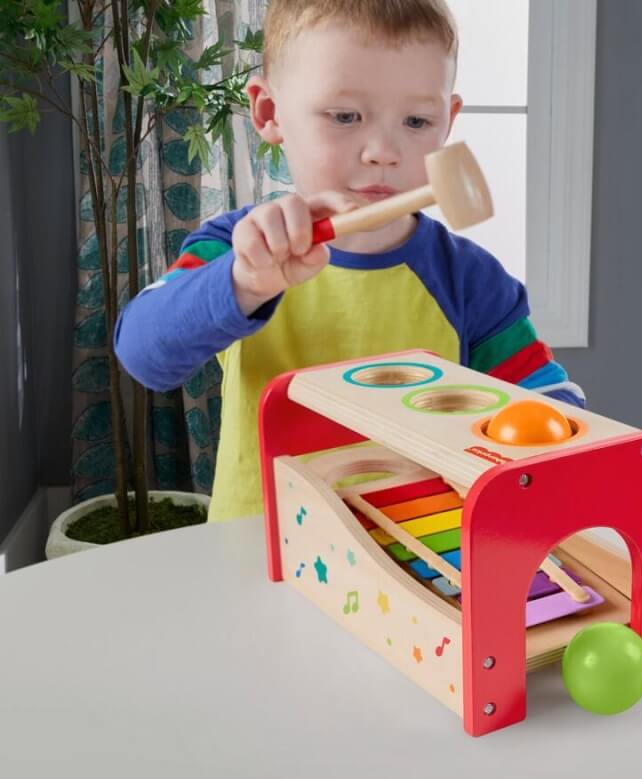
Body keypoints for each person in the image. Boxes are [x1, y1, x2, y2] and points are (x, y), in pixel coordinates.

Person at [114, 0, 585, 522]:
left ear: (447, 123)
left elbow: (550, 405)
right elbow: (143, 356)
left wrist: (566, 433)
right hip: (258, 555)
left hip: (418, 563)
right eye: (345, 116)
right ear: (270, 113)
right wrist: (243, 283)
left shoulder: (471, 281)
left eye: (416, 120)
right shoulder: (239, 249)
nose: (383, 149)